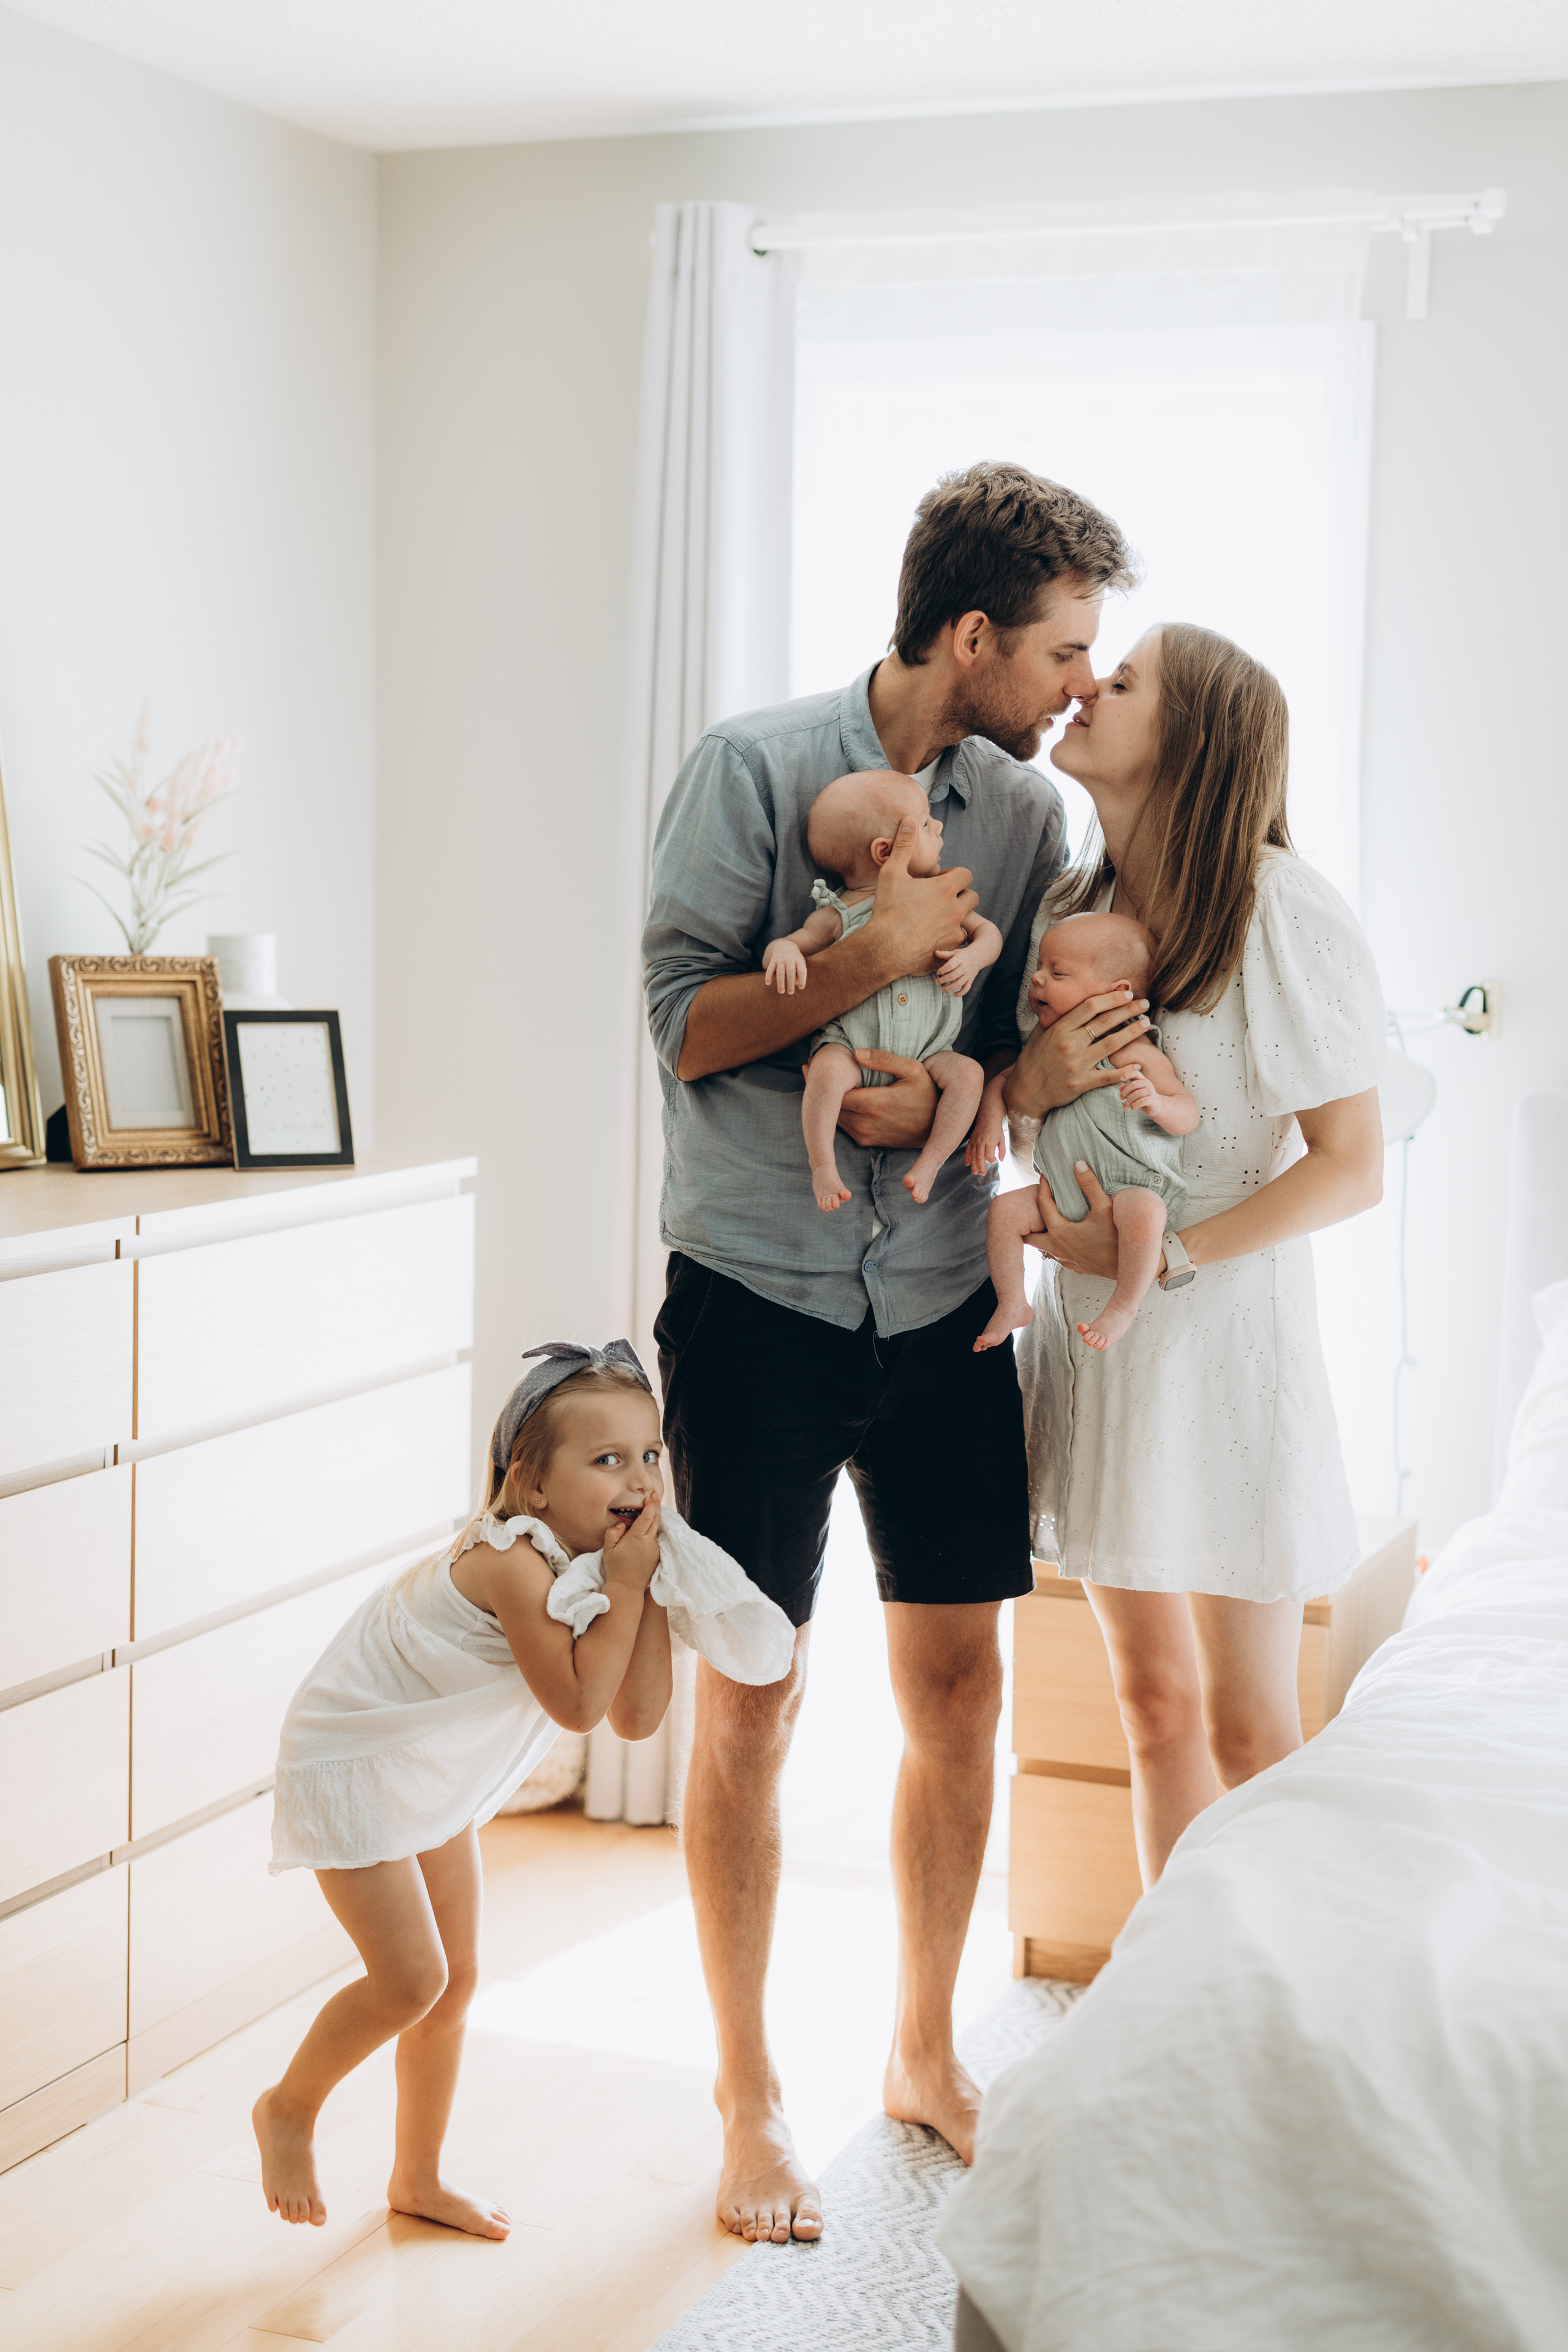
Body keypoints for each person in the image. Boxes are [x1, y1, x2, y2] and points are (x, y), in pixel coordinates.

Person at [643, 460, 1139, 2244]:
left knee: (956, 1691)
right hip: (756, 1302)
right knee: (754, 1700)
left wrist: (992, 1079)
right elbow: (685, 1026)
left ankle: (921, 2047)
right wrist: (861, 959)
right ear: (972, 631)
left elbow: (1011, 1050)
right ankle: (746, 2092)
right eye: (1066, 647)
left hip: (939, 1303)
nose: (1081, 680)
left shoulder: (1027, 819)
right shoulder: (753, 766)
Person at [1001, 624, 1386, 1891]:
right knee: (1149, 1702)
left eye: (1121, 684)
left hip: (1222, 1344)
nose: (1083, 692)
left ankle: (1264, 2008)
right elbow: (1036, 1122)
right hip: (1102, 1347)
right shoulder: (1068, 912)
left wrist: (1173, 1260)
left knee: (1244, 1726)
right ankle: (1167, 2000)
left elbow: (1349, 1163)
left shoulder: (1276, 906)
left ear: (1193, 740)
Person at [252, 1342, 791, 2236]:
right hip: (355, 1757)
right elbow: (581, 1704)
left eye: (651, 1455)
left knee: (457, 1982)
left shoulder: (607, 1563)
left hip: (433, 1766)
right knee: (410, 1978)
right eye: (607, 1459)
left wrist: (646, 1588)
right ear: (533, 1485)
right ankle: (289, 2105)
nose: (639, 1477)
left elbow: (639, 1715)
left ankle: (416, 2179)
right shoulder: (512, 1557)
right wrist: (621, 1586)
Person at [763, 770, 1005, 1211]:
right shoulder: (839, 911)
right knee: (825, 1072)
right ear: (885, 852)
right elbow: (797, 941)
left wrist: (973, 957)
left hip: (930, 1051)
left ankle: (930, 1163)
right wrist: (783, 952)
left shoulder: (940, 898)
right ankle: (822, 1165)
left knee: (968, 1076)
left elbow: (988, 933)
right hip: (852, 1049)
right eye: (927, 823)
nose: (940, 828)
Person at [970, 910, 1197, 1353]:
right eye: (1038, 968)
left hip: (1133, 1187)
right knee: (1001, 1213)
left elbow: (1187, 1113)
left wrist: (1156, 1101)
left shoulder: (1137, 1049)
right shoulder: (1043, 1044)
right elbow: (1002, 1083)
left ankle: (1123, 1306)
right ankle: (1012, 1301)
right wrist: (987, 1124)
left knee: (1146, 1215)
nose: (1037, 980)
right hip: (1058, 1192)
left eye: (1058, 973)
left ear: (1115, 995)